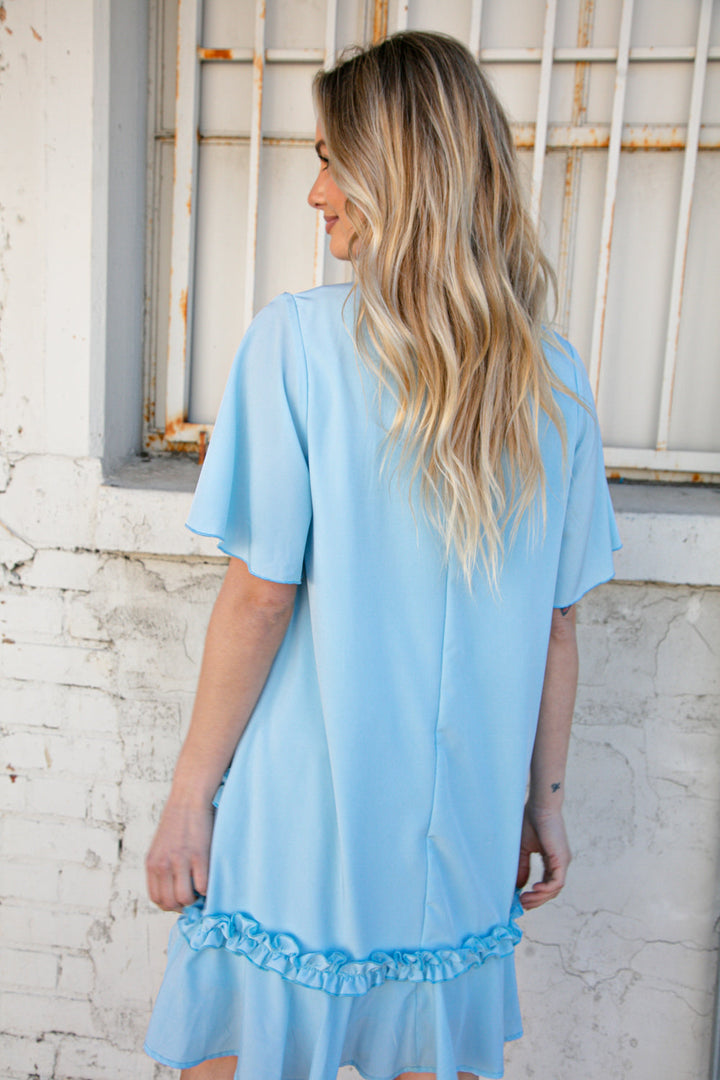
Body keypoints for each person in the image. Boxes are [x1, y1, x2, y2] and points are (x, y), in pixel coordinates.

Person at [143, 30, 620, 1080]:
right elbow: (557, 625)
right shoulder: (557, 378)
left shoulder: (297, 344)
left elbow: (261, 596)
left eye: (332, 161)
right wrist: (542, 805)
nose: (316, 192)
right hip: (464, 837)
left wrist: (188, 799)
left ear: (398, 174)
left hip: (304, 828)